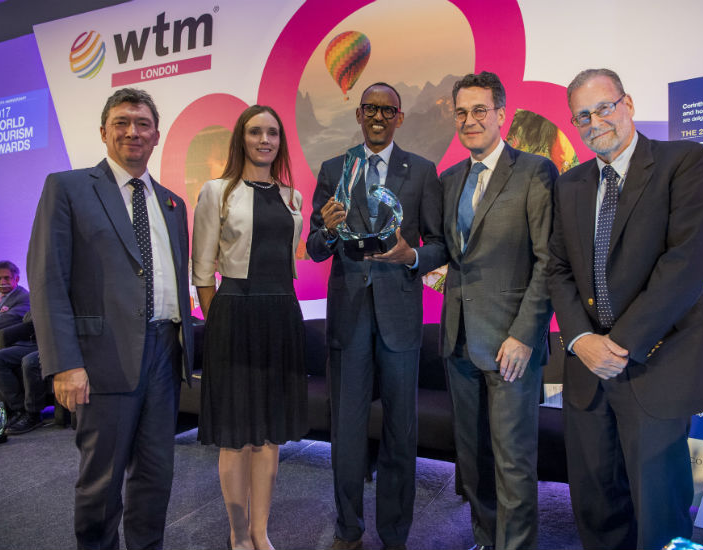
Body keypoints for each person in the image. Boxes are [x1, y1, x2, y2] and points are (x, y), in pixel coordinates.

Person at [546, 68, 703, 550]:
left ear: (626, 104)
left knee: (659, 511)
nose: (594, 121)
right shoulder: (569, 185)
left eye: (603, 107)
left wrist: (618, 344)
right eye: (582, 115)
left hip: (657, 363)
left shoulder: (682, 160)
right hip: (589, 369)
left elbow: (686, 263)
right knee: (596, 504)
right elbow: (558, 269)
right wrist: (582, 341)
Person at [27, 87, 194, 550]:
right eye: (122, 122)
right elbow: (47, 279)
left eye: (142, 124)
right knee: (101, 483)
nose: (132, 132)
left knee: (157, 474)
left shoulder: (172, 203)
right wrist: (63, 362)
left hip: (166, 352)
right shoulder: (68, 187)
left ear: (156, 135)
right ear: (104, 131)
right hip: (101, 359)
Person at [307, 82, 446, 550]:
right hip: (347, 319)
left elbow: (440, 244)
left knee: (400, 432)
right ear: (360, 114)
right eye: (371, 108)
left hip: (401, 321)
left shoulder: (423, 171)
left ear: (400, 117)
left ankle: (394, 534)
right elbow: (313, 247)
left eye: (388, 110)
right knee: (345, 431)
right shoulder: (334, 169)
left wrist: (413, 258)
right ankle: (348, 529)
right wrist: (326, 230)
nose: (379, 116)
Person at [439, 71, 556, 550]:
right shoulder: (448, 180)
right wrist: (405, 254)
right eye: (462, 112)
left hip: (511, 344)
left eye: (479, 110)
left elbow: (549, 260)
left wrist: (525, 334)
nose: (470, 121)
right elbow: (444, 253)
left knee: (513, 462)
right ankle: (486, 541)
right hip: (458, 341)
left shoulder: (535, 171)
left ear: (501, 114)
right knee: (474, 461)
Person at [191, 105, 307, 550]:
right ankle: (238, 535)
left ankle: (261, 532)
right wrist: (220, 318)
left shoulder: (293, 197)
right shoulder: (217, 191)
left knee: (269, 435)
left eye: (273, 133)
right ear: (241, 138)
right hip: (234, 315)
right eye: (255, 131)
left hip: (282, 314)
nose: (264, 139)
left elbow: (290, 257)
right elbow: (203, 271)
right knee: (236, 437)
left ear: (280, 141)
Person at [0, 260, 31, 411]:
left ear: (16, 279)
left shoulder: (23, 297)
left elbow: (7, 319)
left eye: (7, 278)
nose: (2, 282)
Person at [0, 311, 45, 434]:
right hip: (33, 342)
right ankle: (20, 409)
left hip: (55, 344)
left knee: (29, 362)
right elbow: (27, 318)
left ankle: (33, 414)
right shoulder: (41, 297)